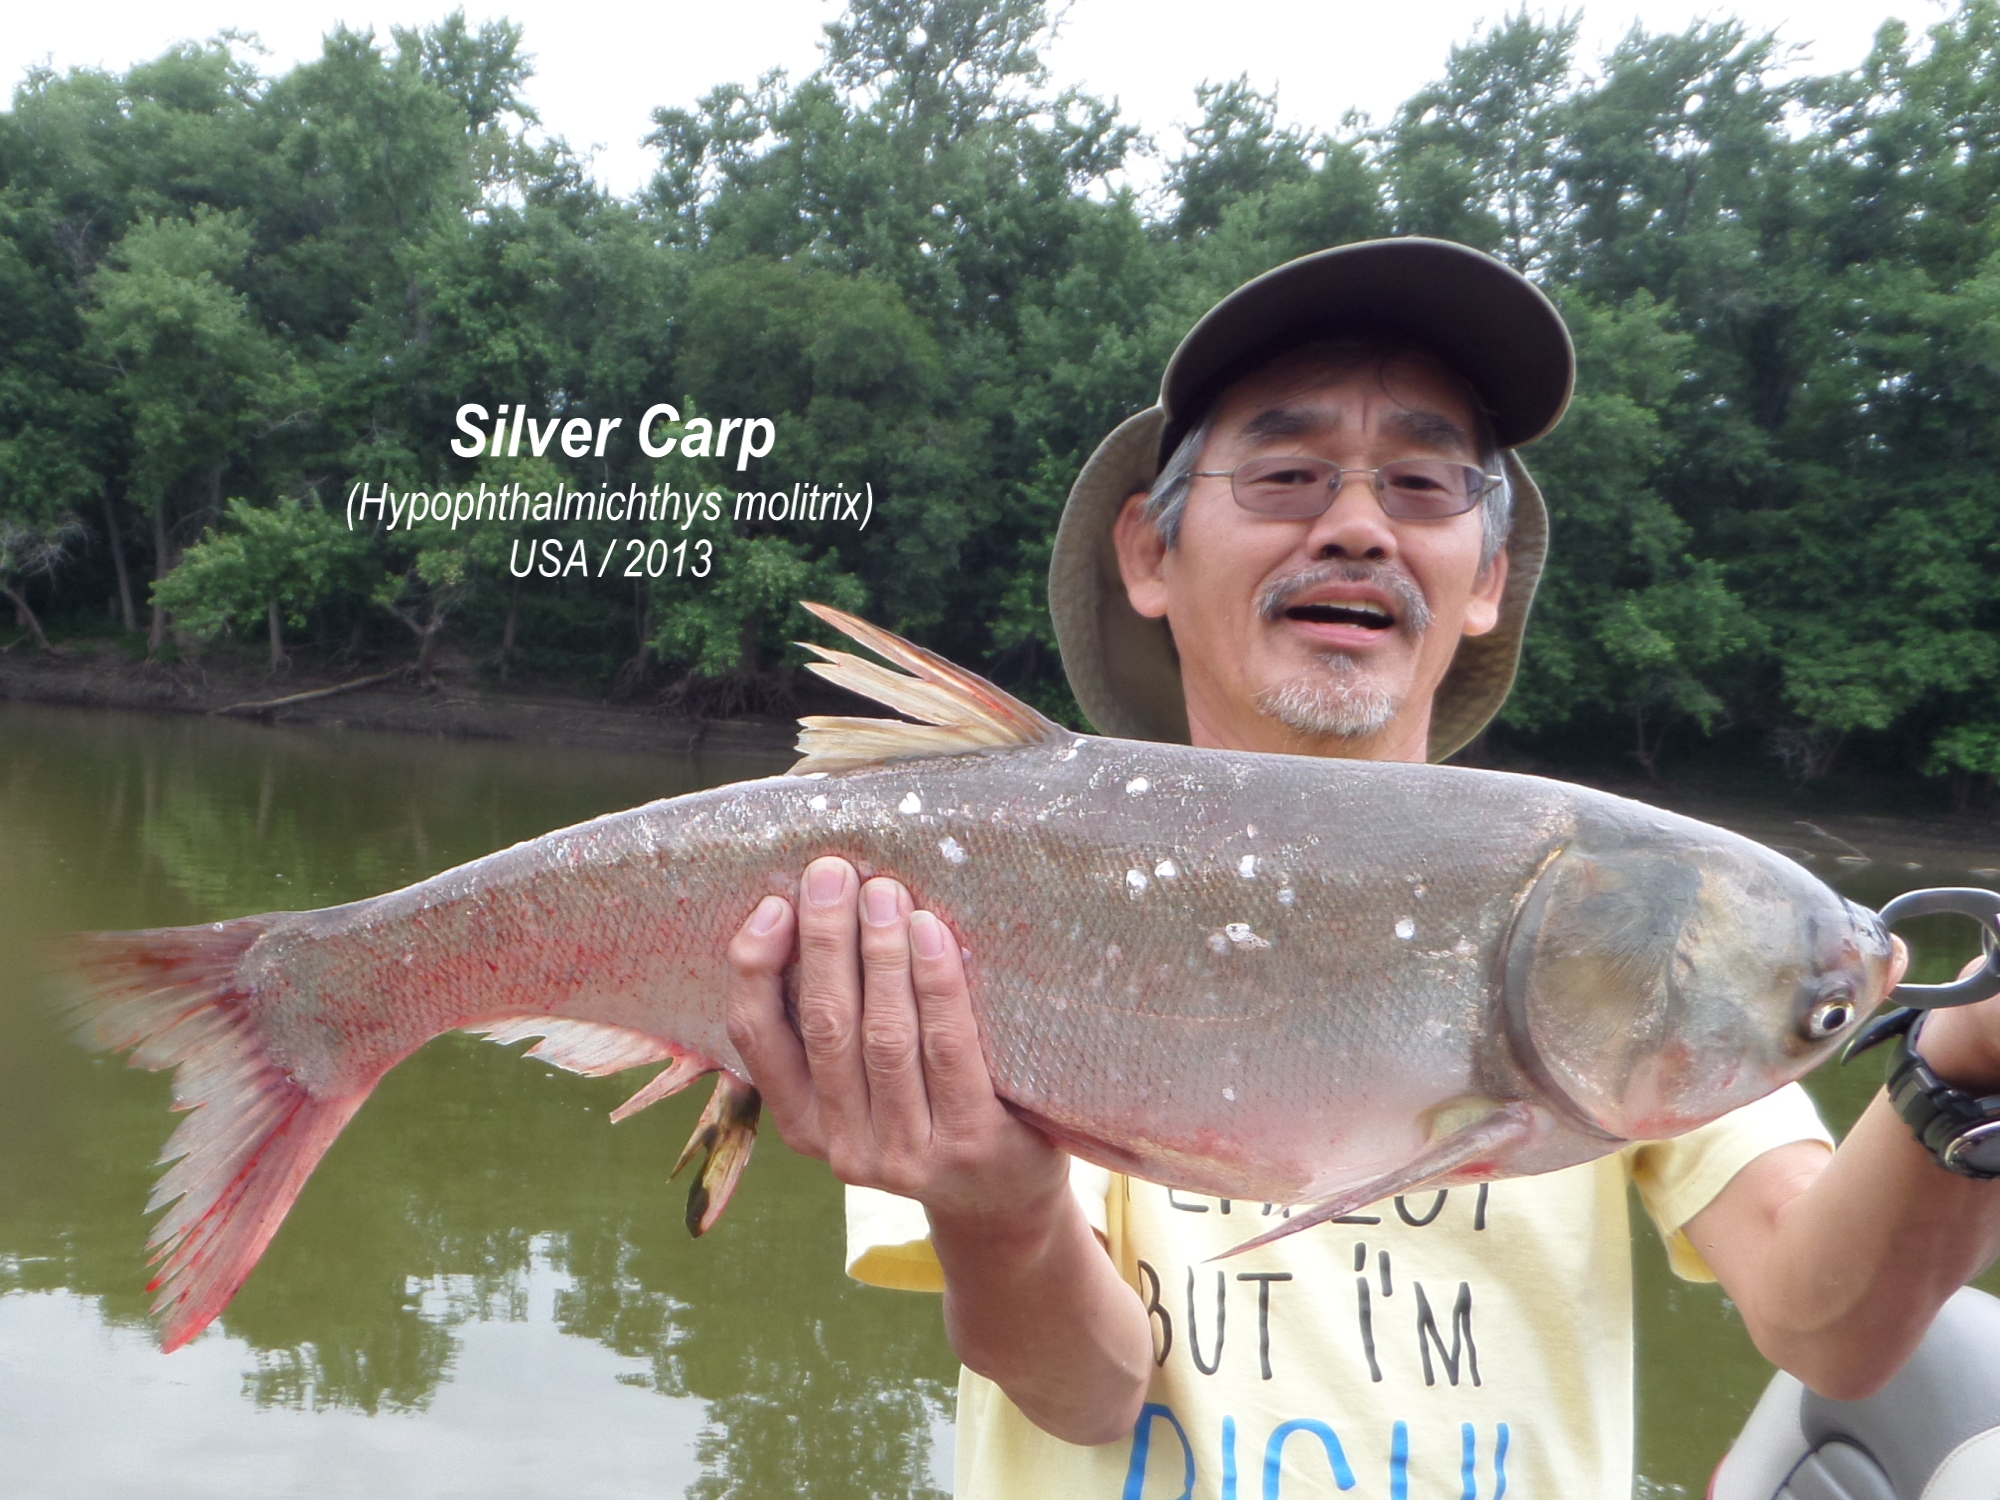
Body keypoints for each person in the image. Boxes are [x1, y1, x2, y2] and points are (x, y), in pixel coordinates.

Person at [721, 239, 2000, 1498]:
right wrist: (997, 1215)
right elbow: (1086, 1393)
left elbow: (1827, 1326)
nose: (1353, 527)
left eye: (1422, 484)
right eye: (1285, 474)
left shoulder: (1623, 914)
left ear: (1485, 577)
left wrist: (1972, 1064)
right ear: (1149, 552)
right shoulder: (959, 870)